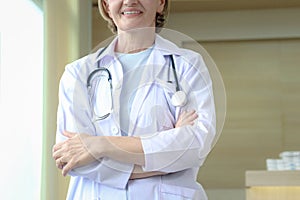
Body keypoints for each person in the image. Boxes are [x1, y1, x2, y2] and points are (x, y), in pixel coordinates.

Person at [52, 0, 216, 199]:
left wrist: (101, 145)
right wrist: (165, 156)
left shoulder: (187, 65)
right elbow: (72, 159)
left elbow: (194, 147)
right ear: (105, 5)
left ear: (160, 3)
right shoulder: (78, 73)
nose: (129, 1)